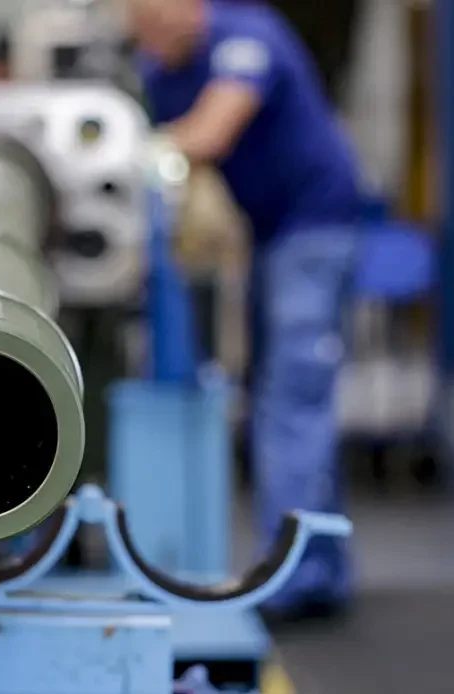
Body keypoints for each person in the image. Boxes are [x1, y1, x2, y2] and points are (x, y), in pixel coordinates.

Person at [126, 0, 362, 619]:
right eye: (138, 26)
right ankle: (320, 569)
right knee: (273, 397)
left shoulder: (247, 39)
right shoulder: (160, 68)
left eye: (156, 19)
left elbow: (209, 134)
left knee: (293, 397)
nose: (149, 37)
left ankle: (293, 574)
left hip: (316, 227)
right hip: (268, 234)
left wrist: (126, 152)